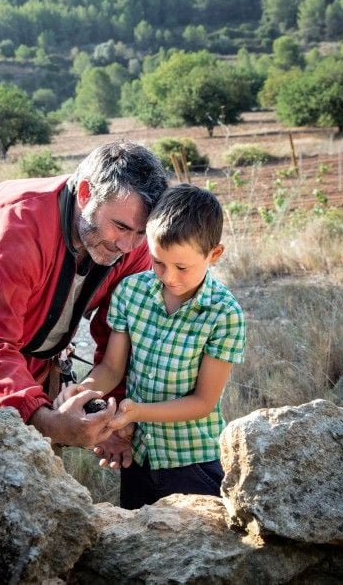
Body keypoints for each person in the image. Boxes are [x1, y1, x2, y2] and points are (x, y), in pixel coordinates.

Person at [0, 140, 169, 457]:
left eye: (140, 233)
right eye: (120, 227)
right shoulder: (18, 228)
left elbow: (119, 336)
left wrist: (109, 415)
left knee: (36, 458)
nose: (127, 246)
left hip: (35, 334)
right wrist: (46, 421)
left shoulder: (131, 245)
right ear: (85, 194)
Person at [55, 184, 245, 509]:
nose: (168, 277)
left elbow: (202, 402)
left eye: (182, 267)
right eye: (158, 262)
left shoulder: (224, 314)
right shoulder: (131, 292)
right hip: (139, 461)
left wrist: (138, 412)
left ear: (214, 255)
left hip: (193, 463)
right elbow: (112, 368)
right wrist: (83, 391)